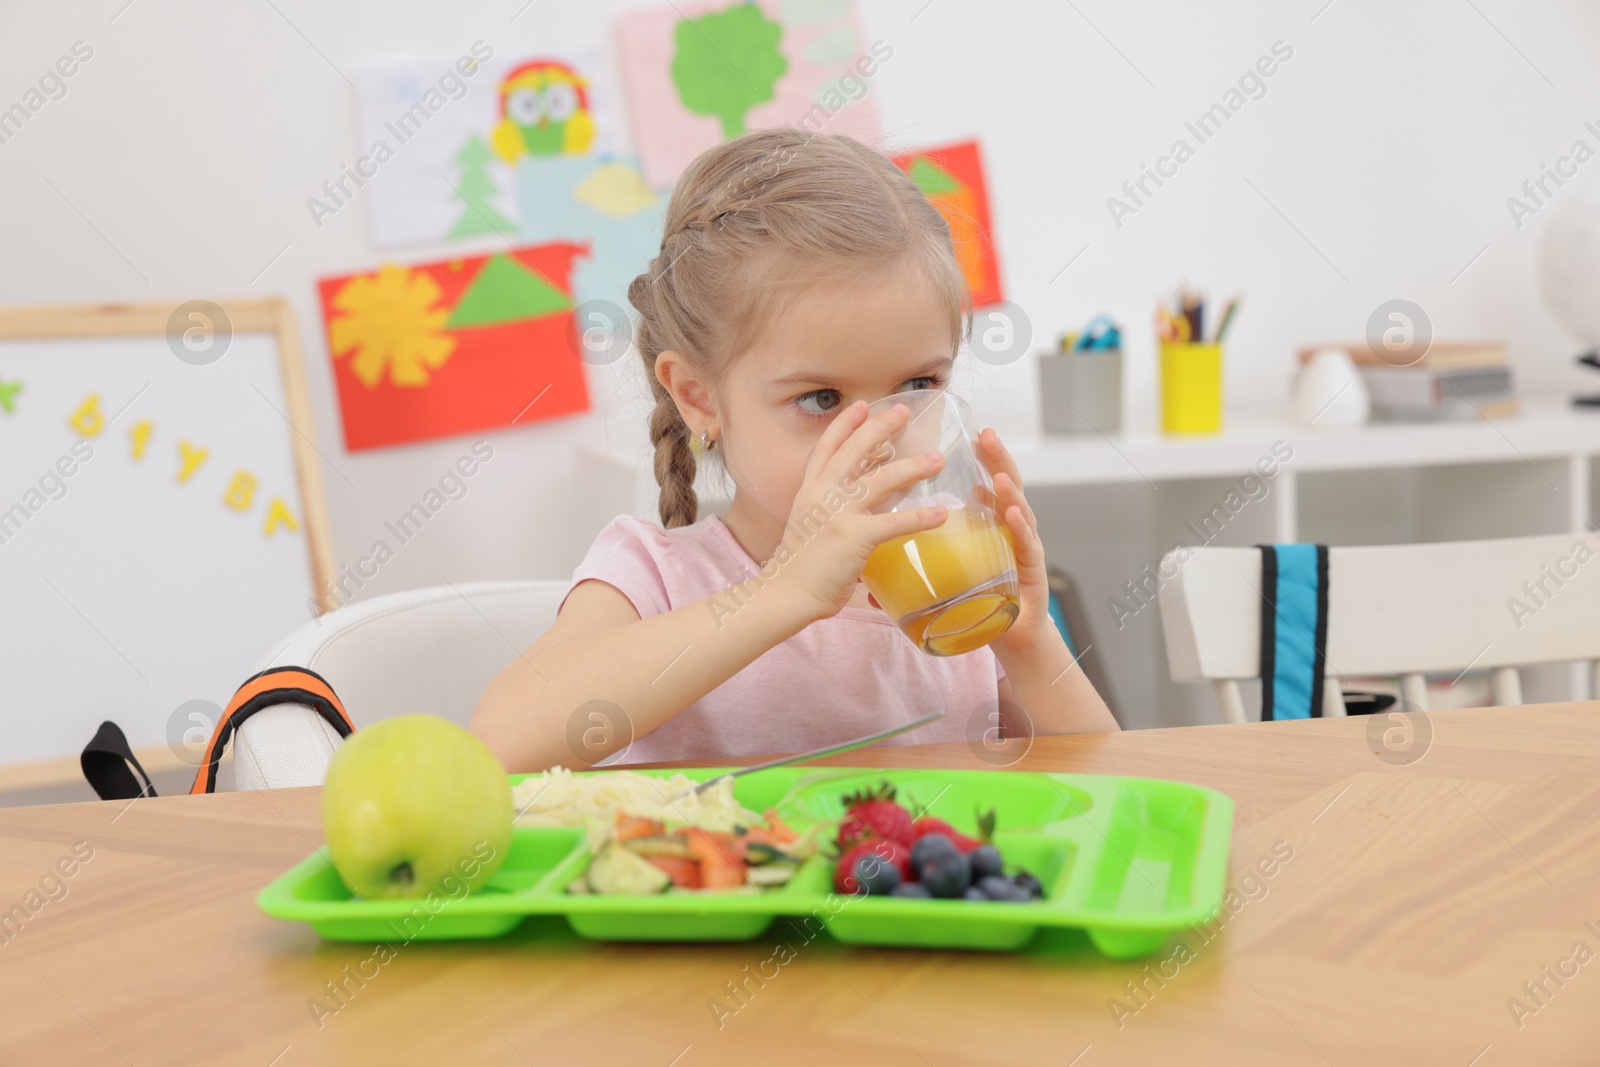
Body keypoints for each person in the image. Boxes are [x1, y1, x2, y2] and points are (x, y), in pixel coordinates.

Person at [471, 129, 1116, 772]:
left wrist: (1030, 642)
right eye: (820, 399)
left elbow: (1121, 788)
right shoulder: (656, 575)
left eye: (918, 386)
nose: (879, 438)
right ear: (699, 398)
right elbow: (502, 744)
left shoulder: (953, 596)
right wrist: (784, 591)